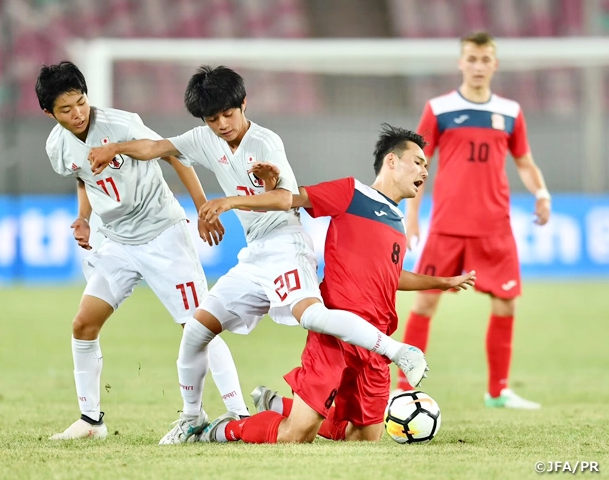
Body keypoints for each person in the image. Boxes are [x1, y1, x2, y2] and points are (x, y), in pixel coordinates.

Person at [87, 66, 430, 444]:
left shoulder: (265, 143)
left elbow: (283, 198)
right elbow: (155, 148)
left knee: (313, 317)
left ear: (243, 104)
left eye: (228, 114)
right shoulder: (203, 139)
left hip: (286, 243)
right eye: (212, 118)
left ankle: (398, 350)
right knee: (197, 331)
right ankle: (192, 418)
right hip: (255, 255)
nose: (221, 124)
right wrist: (115, 148)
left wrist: (233, 199)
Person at [190, 124, 476, 444]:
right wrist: (231, 202)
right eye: (419, 161)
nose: (425, 169)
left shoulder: (396, 221)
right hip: (336, 332)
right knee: (295, 436)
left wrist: (442, 281)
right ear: (392, 162)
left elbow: (391, 276)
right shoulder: (352, 193)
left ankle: (281, 404)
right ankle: (224, 429)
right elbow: (290, 200)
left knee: (363, 439)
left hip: (376, 339)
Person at [35, 61, 249, 440]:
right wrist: (83, 218)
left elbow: (174, 155)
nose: (78, 113)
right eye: (66, 109)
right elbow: (83, 179)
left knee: (199, 327)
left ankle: (238, 413)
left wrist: (201, 206)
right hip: (118, 242)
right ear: (49, 113)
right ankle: (90, 421)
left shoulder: (121, 124)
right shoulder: (57, 146)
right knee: (84, 324)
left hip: (162, 235)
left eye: (81, 102)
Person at [396, 32, 551, 409]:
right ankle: (403, 387)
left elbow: (524, 162)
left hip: (494, 228)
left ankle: (498, 391)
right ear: (460, 63)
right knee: (424, 305)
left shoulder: (511, 112)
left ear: (494, 65)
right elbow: (418, 163)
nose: (478, 66)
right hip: (448, 226)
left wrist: (541, 192)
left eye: (485, 60)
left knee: (505, 305)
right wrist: (411, 215)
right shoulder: (439, 108)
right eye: (472, 58)